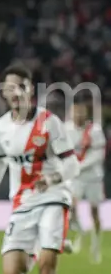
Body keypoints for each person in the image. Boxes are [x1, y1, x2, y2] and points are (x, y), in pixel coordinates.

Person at [0, 64, 79, 274]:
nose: (15, 92)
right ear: (3, 93)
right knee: (13, 270)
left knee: (46, 265)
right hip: (22, 204)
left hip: (53, 197)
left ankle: (48, 242)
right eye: (9, 88)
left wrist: (52, 179)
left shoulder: (50, 123)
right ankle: (46, 242)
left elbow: (73, 164)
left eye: (20, 86)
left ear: (31, 89)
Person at [64, 102, 105, 264]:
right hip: (76, 178)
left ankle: (96, 246)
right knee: (71, 207)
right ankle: (80, 231)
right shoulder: (65, 129)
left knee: (94, 212)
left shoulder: (94, 131)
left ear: (85, 114)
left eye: (80, 113)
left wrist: (79, 166)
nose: (77, 116)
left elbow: (99, 155)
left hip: (93, 178)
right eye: (74, 112)